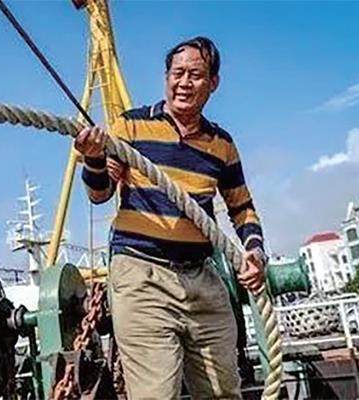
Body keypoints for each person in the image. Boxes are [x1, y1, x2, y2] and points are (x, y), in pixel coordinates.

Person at [74, 37, 267, 399]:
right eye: (177, 73)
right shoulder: (130, 127)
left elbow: (242, 208)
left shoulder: (222, 144)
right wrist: (94, 159)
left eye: (196, 74)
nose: (184, 82)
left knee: (225, 393)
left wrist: (255, 252)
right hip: (142, 276)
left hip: (202, 278)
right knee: (155, 395)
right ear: (166, 78)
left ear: (213, 83)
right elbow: (99, 195)